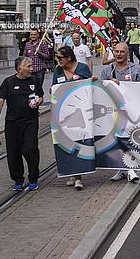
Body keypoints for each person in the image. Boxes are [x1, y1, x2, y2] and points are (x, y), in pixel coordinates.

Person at [0, 57, 43, 191]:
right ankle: (18, 179)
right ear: (20, 68)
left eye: (32, 66)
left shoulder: (34, 80)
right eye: (29, 66)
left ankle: (33, 177)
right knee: (13, 152)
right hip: (12, 122)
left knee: (30, 148)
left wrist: (38, 102)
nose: (32, 69)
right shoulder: (8, 82)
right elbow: (0, 101)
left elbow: (41, 96)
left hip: (30, 120)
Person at [52, 46, 92, 190]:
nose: (58, 60)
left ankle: (78, 177)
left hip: (81, 112)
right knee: (67, 143)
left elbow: (89, 86)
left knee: (79, 142)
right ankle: (72, 172)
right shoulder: (57, 71)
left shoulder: (82, 68)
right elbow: (54, 88)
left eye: (60, 57)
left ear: (68, 57)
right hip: (64, 113)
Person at [102, 43, 140, 182]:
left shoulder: (135, 69)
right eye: (116, 51)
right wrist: (108, 83)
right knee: (117, 140)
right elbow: (101, 89)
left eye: (121, 52)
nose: (118, 54)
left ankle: (131, 168)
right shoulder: (107, 70)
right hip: (113, 112)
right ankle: (123, 169)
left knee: (130, 139)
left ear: (127, 53)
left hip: (131, 111)